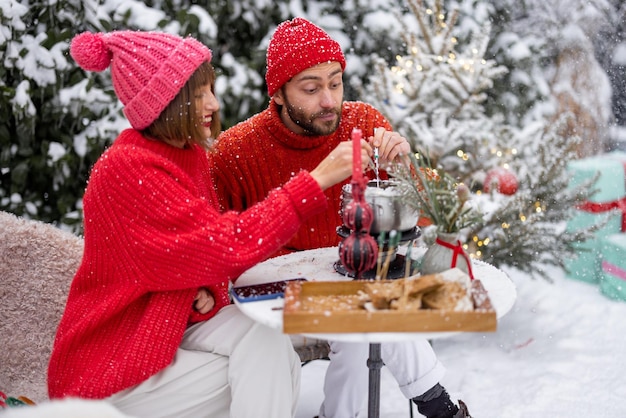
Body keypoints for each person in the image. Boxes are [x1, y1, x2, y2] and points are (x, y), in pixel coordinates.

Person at [47, 30, 372, 418]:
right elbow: (228, 243)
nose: (214, 104)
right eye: (199, 94)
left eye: (211, 89)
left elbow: (201, 256)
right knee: (265, 371)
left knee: (269, 342)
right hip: (111, 370)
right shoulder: (127, 170)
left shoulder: (188, 156)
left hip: (169, 328)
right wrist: (316, 180)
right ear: (165, 102)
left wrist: (208, 289)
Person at [209, 18, 471, 418]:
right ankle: (442, 409)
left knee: (364, 311)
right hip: (277, 297)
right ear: (278, 94)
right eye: (312, 89)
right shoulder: (236, 152)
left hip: (356, 280)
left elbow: (434, 210)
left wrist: (405, 167)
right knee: (365, 310)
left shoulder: (363, 123)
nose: (330, 100)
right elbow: (213, 243)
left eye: (336, 82)